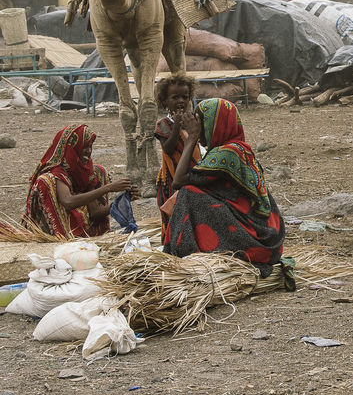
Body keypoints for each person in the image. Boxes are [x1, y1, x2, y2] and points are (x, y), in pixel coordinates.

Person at [163, 98, 284, 265]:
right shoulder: (239, 149)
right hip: (266, 239)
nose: (197, 129)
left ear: (214, 124)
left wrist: (191, 138)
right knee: (192, 192)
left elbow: (178, 181)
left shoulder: (227, 153)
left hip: (258, 241)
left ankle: (186, 251)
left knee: (187, 194)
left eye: (200, 124)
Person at [22, 124, 134, 238]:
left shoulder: (84, 171)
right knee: (46, 181)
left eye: (90, 147)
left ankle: (87, 233)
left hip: (80, 229)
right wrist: (108, 188)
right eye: (84, 147)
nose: (89, 151)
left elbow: (95, 212)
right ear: (72, 147)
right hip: (61, 230)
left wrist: (123, 201)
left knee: (99, 170)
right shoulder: (57, 172)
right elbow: (68, 202)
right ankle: (60, 234)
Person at [153, 73, 200, 220]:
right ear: (165, 101)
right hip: (172, 180)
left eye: (185, 97)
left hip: (190, 176)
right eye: (175, 97)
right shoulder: (163, 124)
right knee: (175, 217)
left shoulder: (191, 120)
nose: (181, 101)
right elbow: (168, 149)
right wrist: (177, 128)